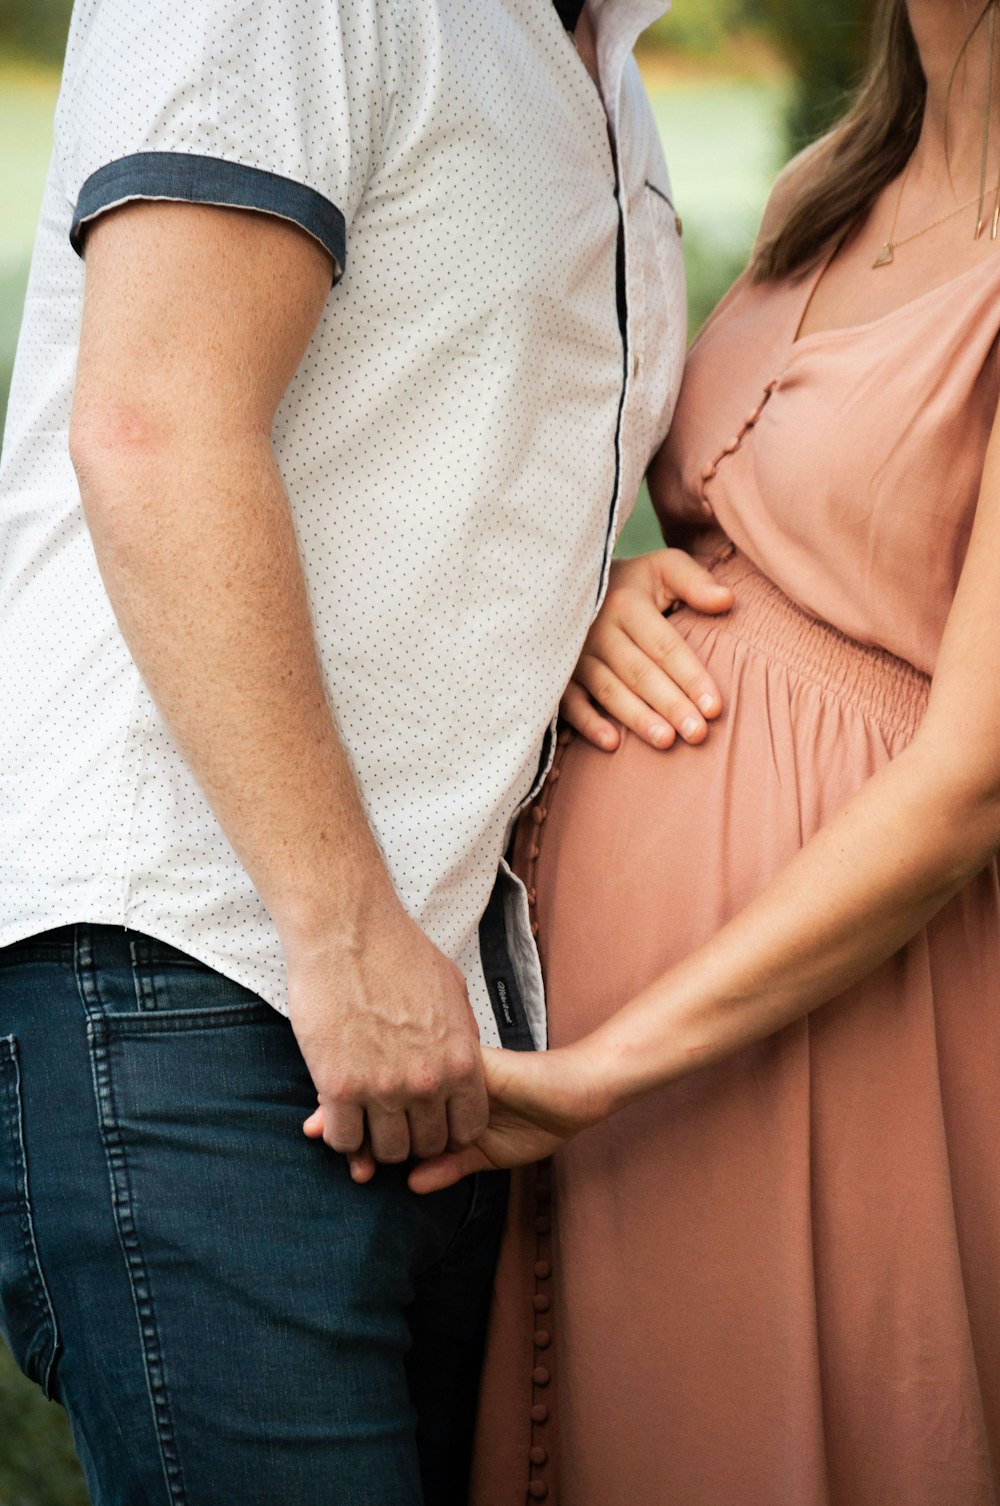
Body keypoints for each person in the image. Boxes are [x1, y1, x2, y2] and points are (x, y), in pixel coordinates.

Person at [0, 2, 726, 1502]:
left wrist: (580, 606)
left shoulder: (600, 72)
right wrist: (343, 929)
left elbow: (441, 437)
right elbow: (154, 426)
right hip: (197, 960)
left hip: (430, 1014)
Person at [408, 1, 1000, 1502]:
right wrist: (597, 598)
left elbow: (969, 781)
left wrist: (606, 1071)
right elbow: (720, 523)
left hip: (850, 1023)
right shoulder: (830, 190)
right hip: (606, 1052)